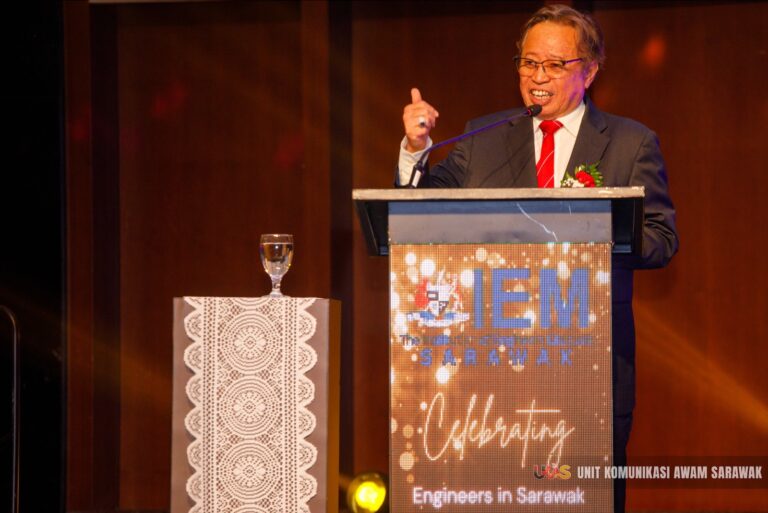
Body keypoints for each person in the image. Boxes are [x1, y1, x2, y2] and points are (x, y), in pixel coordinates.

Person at [396, 4, 678, 512]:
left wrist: (596, 228)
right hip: (490, 371)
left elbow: (661, 239)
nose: (537, 77)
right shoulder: (483, 138)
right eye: (529, 63)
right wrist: (417, 148)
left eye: (554, 64)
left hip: (589, 364)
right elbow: (421, 213)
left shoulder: (630, 143)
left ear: (589, 71)